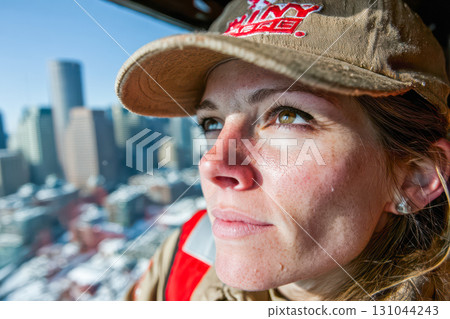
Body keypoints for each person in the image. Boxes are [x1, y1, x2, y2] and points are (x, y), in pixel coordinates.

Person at [115, 0, 450, 300]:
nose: (212, 165)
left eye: (288, 116)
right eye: (212, 124)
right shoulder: (183, 254)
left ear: (415, 176)